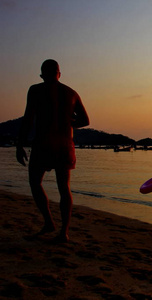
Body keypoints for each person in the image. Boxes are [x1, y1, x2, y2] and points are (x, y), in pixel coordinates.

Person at [16, 59, 89, 242]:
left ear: (42, 74)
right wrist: (68, 122)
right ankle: (63, 232)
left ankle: (49, 222)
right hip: (65, 145)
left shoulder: (36, 90)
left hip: (44, 143)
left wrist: (20, 144)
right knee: (64, 188)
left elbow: (28, 119)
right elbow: (85, 121)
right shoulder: (71, 93)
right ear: (59, 73)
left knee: (35, 182)